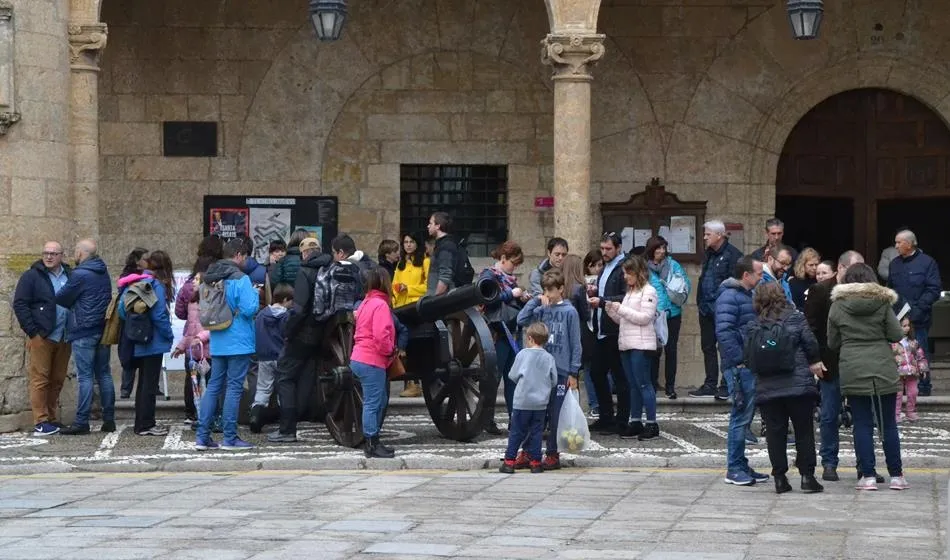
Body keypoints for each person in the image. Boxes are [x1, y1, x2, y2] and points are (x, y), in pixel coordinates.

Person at [828, 262, 908, 491]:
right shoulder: (883, 303)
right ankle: (897, 476)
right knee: (888, 424)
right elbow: (895, 334)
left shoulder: (837, 306)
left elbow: (832, 342)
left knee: (862, 424)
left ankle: (869, 477)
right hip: (882, 365)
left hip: (853, 366)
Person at [746, 282, 824, 494]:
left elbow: (748, 355)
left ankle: (780, 478)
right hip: (798, 385)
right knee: (804, 431)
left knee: (775, 433)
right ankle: (807, 477)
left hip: (768, 387)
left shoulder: (755, 324)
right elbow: (811, 344)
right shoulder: (796, 317)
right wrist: (815, 362)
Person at [805, 250, 868, 483]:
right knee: (830, 414)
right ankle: (829, 462)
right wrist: (814, 359)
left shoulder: (864, 291)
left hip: (858, 362)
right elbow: (810, 328)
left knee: (862, 416)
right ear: (841, 268)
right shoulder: (820, 291)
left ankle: (865, 465)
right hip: (829, 362)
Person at [194, 238, 260, 451]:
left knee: (213, 386)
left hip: (218, 337)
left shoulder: (210, 276)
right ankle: (230, 438)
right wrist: (256, 296)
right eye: (245, 256)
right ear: (239, 255)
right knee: (233, 388)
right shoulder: (241, 278)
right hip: (238, 338)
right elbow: (250, 309)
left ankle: (202, 437)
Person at [516, 269, 581, 469]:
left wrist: (573, 372)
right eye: (545, 290)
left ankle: (552, 453)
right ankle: (527, 452)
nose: (549, 294)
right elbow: (521, 319)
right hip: (540, 371)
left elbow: (575, 343)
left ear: (561, 289)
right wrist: (535, 301)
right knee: (534, 413)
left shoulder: (570, 312)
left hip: (561, 372)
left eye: (552, 290)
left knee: (555, 414)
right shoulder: (541, 309)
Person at [268, 238, 331, 443]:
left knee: (285, 377)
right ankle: (308, 413)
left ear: (304, 253)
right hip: (326, 333)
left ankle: (287, 429)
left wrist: (288, 330)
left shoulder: (306, 272)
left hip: (304, 333)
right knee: (307, 377)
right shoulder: (331, 268)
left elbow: (299, 308)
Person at [715, 256, 768, 486]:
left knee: (744, 418)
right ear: (746, 275)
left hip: (747, 364)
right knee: (739, 418)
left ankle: (741, 464)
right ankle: (734, 468)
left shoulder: (746, 295)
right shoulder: (730, 296)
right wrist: (739, 360)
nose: (761, 277)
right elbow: (724, 331)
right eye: (758, 273)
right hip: (739, 367)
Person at [56, 239, 115, 436]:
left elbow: (62, 297)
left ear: (81, 254)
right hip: (102, 328)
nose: (74, 254)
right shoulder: (102, 271)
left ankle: (82, 421)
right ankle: (109, 420)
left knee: (85, 377)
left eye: (75, 251)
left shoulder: (80, 274)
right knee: (104, 374)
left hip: (83, 329)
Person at [12, 241, 71, 436]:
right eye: (46, 253)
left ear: (61, 255)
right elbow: (20, 304)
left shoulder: (70, 275)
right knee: (40, 378)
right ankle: (41, 420)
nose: (49, 257)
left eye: (54, 253)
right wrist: (32, 331)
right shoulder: (32, 276)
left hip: (64, 335)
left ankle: (52, 418)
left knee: (57, 379)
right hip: (42, 335)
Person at [606, 256, 660, 441]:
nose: (625, 277)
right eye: (624, 273)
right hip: (627, 343)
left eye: (628, 273)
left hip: (642, 345)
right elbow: (625, 320)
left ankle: (652, 423)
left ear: (639, 273)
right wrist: (612, 311)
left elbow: (645, 318)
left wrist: (620, 309)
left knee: (644, 383)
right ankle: (635, 420)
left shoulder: (649, 291)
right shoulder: (630, 292)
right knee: (633, 385)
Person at [479, 241, 529, 434]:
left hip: (512, 332)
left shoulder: (509, 278)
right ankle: (486, 420)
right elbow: (486, 299)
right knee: (494, 378)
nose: (514, 267)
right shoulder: (488, 275)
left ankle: (514, 420)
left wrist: (521, 298)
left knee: (512, 379)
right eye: (513, 263)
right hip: (497, 333)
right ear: (503, 259)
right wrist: (510, 293)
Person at [117, 268, 174, 436]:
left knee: (143, 384)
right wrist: (169, 335)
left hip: (137, 339)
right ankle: (146, 424)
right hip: (153, 341)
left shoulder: (132, 285)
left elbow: (121, 311)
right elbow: (159, 315)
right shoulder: (156, 286)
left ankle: (141, 423)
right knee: (150, 384)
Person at [691, 220, 743, 399]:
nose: (704, 237)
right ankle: (710, 383)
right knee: (708, 346)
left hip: (723, 309)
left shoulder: (733, 255)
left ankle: (725, 384)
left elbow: (735, 283)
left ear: (719, 235)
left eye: (707, 234)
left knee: (725, 347)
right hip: (705, 308)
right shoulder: (708, 254)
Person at [499, 322, 558, 475]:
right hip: (540, 404)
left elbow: (512, 375)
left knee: (517, 432)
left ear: (530, 338)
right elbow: (554, 380)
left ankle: (509, 462)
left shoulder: (522, 355)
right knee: (536, 433)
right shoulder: (549, 358)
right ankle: (536, 462)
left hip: (522, 402)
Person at [351, 267, 398, 459]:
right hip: (372, 360)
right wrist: (390, 350)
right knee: (372, 403)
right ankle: (371, 442)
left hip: (359, 357)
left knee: (379, 400)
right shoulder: (380, 305)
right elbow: (381, 336)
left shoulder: (365, 303)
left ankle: (373, 440)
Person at [587, 232, 631, 435]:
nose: (604, 253)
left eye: (608, 249)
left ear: (619, 248)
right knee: (596, 372)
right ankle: (606, 416)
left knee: (620, 378)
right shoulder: (606, 267)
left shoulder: (624, 267)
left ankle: (621, 421)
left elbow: (627, 296)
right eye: (602, 248)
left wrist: (603, 300)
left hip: (616, 329)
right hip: (601, 330)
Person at [174, 236, 221, 424]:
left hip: (197, 346)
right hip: (206, 346)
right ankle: (206, 414)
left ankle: (194, 413)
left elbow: (181, 314)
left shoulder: (191, 294)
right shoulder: (209, 295)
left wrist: (185, 344)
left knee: (195, 379)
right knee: (208, 381)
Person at [888, 229, 941, 396]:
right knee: (897, 354)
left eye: (898, 242)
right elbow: (889, 290)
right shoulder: (894, 264)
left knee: (920, 353)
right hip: (897, 319)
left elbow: (933, 289)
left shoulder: (927, 262)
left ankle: (924, 388)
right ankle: (901, 389)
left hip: (919, 318)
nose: (895, 246)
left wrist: (917, 310)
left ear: (909, 244)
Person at [644, 236, 690, 399]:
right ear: (651, 249)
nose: (662, 251)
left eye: (664, 248)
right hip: (653, 315)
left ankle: (670, 386)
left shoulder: (673, 265)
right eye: (658, 248)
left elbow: (686, 284)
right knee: (653, 350)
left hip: (672, 314)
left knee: (671, 350)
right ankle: (652, 383)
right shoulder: (644, 268)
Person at [248, 284, 293, 434]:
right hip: (281, 357)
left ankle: (255, 417)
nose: (291, 305)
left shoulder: (261, 315)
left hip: (264, 357)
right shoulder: (287, 316)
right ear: (286, 299)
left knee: (263, 388)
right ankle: (284, 421)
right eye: (290, 301)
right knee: (283, 389)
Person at [392, 232, 429, 398]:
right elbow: (393, 284)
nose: (408, 245)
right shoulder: (401, 264)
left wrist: (409, 288)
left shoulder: (425, 262)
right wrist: (397, 290)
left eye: (411, 241)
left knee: (414, 343)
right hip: (401, 307)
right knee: (402, 346)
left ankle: (416, 382)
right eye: (405, 242)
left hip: (416, 307)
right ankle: (409, 382)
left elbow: (428, 286)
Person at [117, 248, 149, 399]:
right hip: (133, 321)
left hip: (130, 323)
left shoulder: (126, 278)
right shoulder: (134, 279)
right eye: (145, 259)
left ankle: (127, 389)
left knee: (131, 357)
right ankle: (127, 389)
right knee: (131, 358)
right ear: (137, 261)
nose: (148, 262)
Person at [893, 317, 929, 422]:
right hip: (897, 372)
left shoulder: (913, 342)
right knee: (897, 394)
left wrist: (923, 368)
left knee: (913, 392)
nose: (907, 328)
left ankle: (910, 412)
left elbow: (920, 356)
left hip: (912, 372)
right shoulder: (892, 343)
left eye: (908, 325)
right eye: (904, 326)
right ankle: (896, 413)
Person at [581, 250, 604, 416]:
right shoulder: (582, 284)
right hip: (589, 328)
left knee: (603, 368)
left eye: (601, 265)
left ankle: (602, 402)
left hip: (601, 326)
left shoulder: (605, 280)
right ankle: (595, 403)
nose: (599, 268)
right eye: (596, 265)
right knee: (589, 368)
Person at [426, 211, 459, 296]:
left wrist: (434, 299)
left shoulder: (446, 246)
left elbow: (445, 277)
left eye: (431, 223)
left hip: (441, 299)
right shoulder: (442, 244)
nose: (428, 226)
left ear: (438, 226)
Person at [788, 247, 820, 311]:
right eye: (811, 265)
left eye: (816, 264)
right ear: (803, 265)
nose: (814, 268)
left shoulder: (821, 280)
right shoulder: (793, 282)